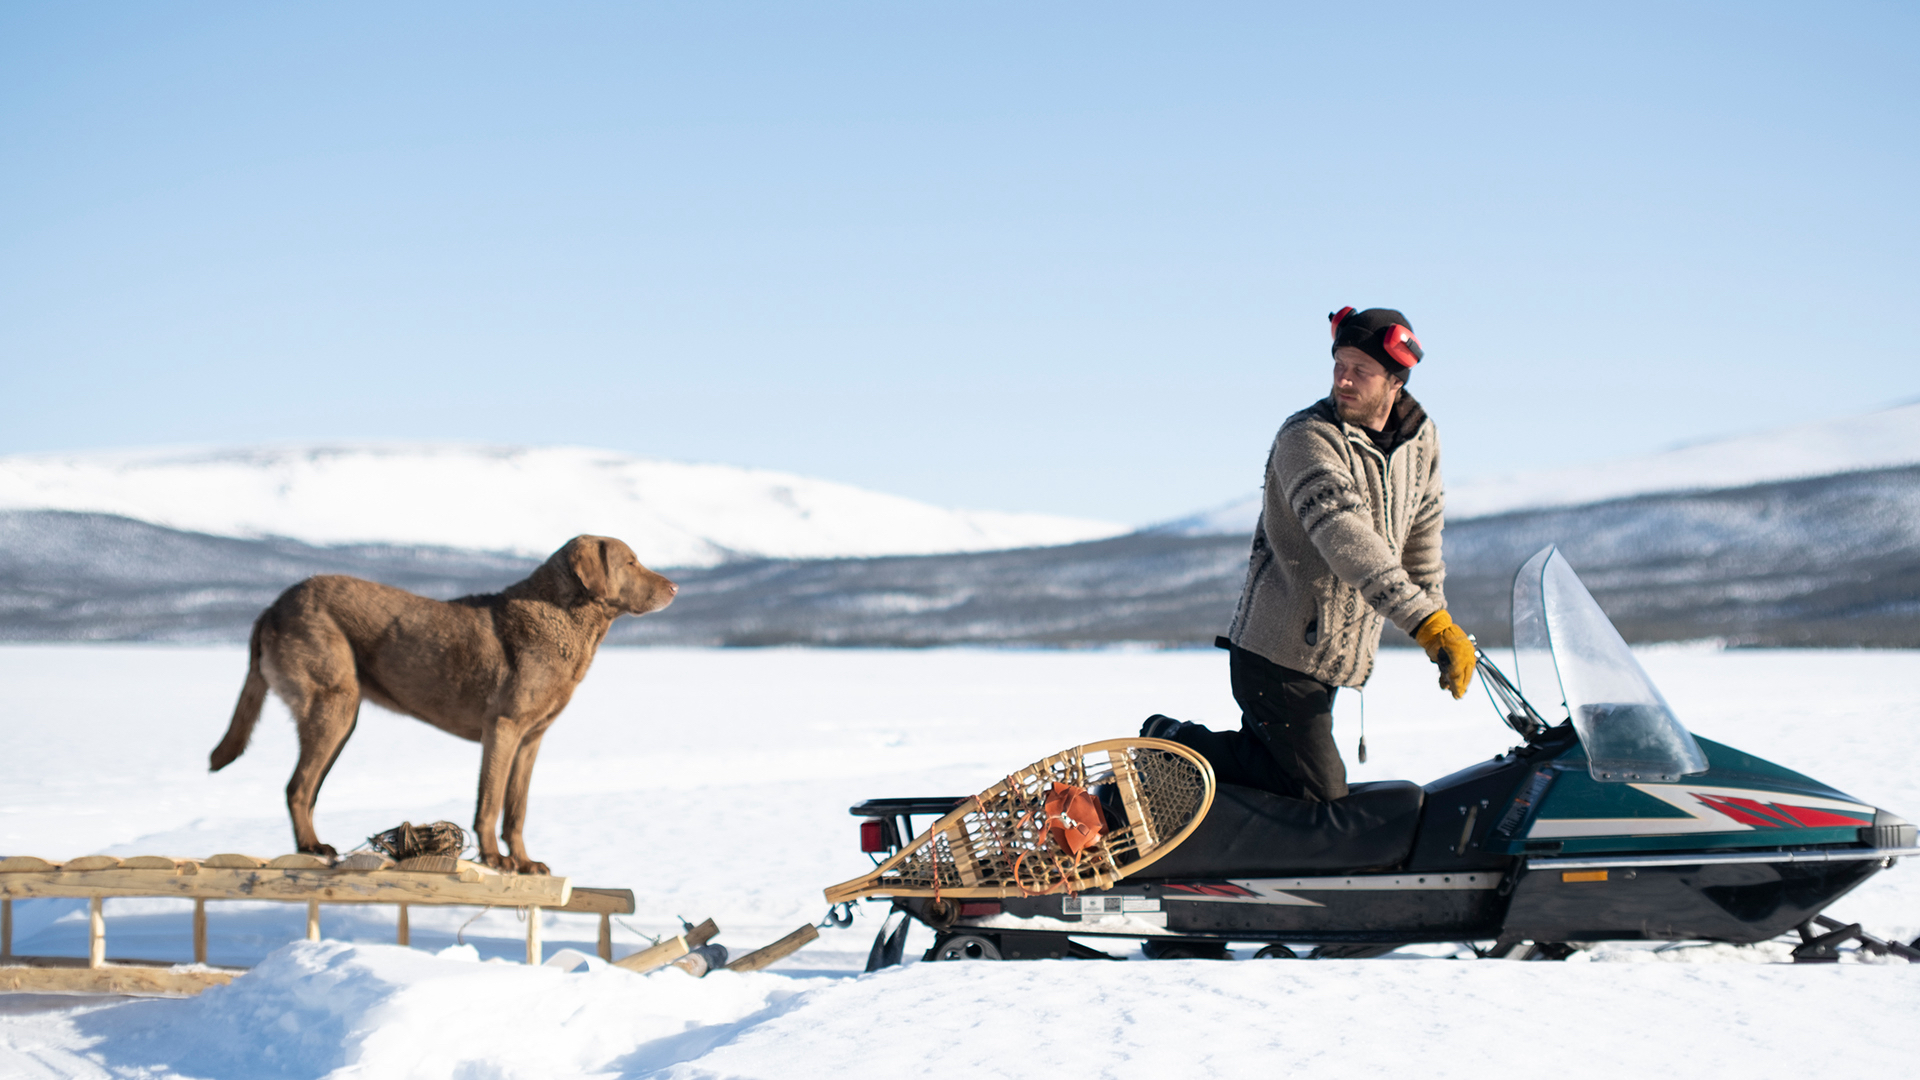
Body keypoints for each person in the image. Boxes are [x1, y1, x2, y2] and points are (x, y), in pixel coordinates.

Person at [1145, 306, 1475, 802]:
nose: (1344, 379)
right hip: (1276, 653)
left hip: (1333, 658)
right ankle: (1173, 745)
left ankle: (1187, 774)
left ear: (1394, 382)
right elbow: (1346, 539)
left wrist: (1439, 619)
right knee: (1317, 795)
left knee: (1283, 781)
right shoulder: (1306, 438)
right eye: (1339, 365)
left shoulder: (1421, 438)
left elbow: (1421, 538)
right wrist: (1422, 621)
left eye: (1360, 371)